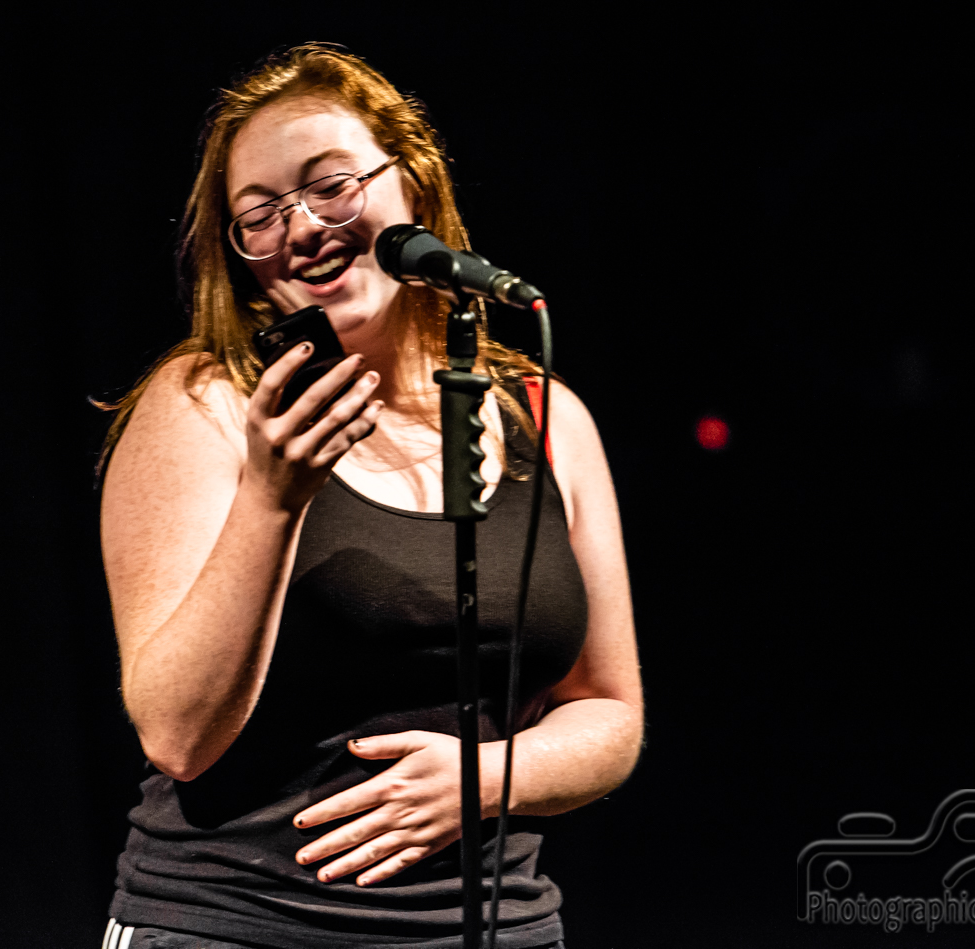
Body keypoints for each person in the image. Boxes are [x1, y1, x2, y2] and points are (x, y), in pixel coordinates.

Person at [96, 43, 642, 949]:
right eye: (260, 214)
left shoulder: (545, 415)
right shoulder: (207, 407)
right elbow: (176, 735)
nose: (302, 227)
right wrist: (273, 499)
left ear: (412, 185)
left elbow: (611, 713)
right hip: (239, 926)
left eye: (331, 186)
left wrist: (487, 778)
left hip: (494, 928)